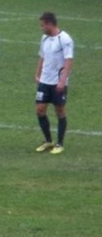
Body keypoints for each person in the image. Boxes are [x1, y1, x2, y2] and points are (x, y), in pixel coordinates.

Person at [34, 12, 73, 155]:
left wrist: (62, 81)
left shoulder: (65, 39)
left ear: (50, 24)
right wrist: (37, 73)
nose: (41, 28)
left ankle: (60, 143)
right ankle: (48, 140)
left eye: (43, 25)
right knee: (40, 110)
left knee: (60, 111)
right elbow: (42, 56)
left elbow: (68, 61)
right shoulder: (44, 38)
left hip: (58, 83)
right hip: (44, 81)